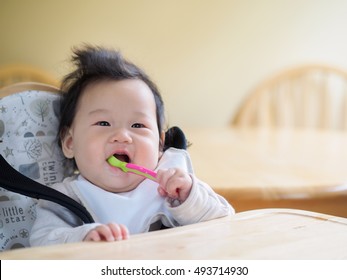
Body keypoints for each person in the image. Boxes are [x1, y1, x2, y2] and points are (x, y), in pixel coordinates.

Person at [30, 45, 234, 246]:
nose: (122, 136)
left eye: (138, 125)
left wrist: (189, 197)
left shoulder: (169, 185)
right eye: (103, 123)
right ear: (70, 142)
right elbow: (42, 241)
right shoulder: (66, 199)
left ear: (160, 145)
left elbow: (224, 223)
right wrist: (82, 237)